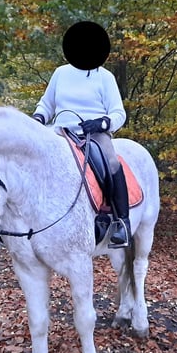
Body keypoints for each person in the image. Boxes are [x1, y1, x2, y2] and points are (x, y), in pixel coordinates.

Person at [32, 21, 131, 248]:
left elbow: (118, 113)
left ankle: (121, 222)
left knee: (112, 163)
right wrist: (38, 118)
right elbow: (46, 104)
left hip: (93, 134)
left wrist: (103, 123)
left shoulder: (105, 77)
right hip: (60, 132)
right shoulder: (60, 73)